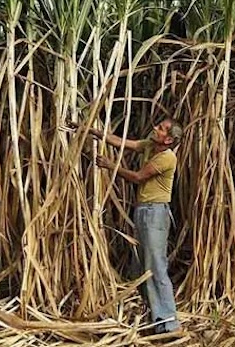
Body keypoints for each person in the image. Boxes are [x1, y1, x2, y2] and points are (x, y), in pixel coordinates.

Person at [72, 118, 183, 335]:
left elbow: (138, 177)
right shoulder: (150, 145)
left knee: (156, 267)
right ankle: (155, 319)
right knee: (143, 266)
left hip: (155, 213)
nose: (155, 128)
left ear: (169, 139)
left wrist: (109, 166)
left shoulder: (166, 158)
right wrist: (90, 130)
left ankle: (170, 323)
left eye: (160, 128)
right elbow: (122, 142)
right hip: (144, 211)